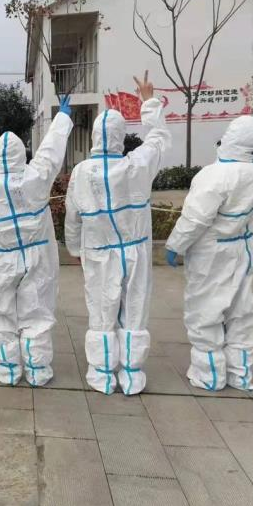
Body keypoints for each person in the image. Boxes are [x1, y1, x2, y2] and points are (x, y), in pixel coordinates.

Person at [165, 82, 253, 392]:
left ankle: (209, 375)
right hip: (244, 247)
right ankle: (240, 375)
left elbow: (195, 219)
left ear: (229, 138)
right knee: (241, 312)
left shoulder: (214, 175)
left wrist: (175, 246)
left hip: (212, 252)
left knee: (206, 311)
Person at [65, 72, 170, 395]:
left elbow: (72, 217)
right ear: (121, 137)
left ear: (95, 137)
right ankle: (132, 375)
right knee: (135, 308)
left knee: (101, 310)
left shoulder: (82, 172)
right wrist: (148, 101)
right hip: (135, 251)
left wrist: (74, 249)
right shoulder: (137, 165)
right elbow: (158, 139)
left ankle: (102, 374)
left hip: (98, 253)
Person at [0, 95, 73, 386]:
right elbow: (51, 151)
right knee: (37, 312)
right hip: (37, 257)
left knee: (0, 313)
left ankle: (8, 370)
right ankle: (38, 371)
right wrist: (62, 117)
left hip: (0, 259)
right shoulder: (36, 176)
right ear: (21, 155)